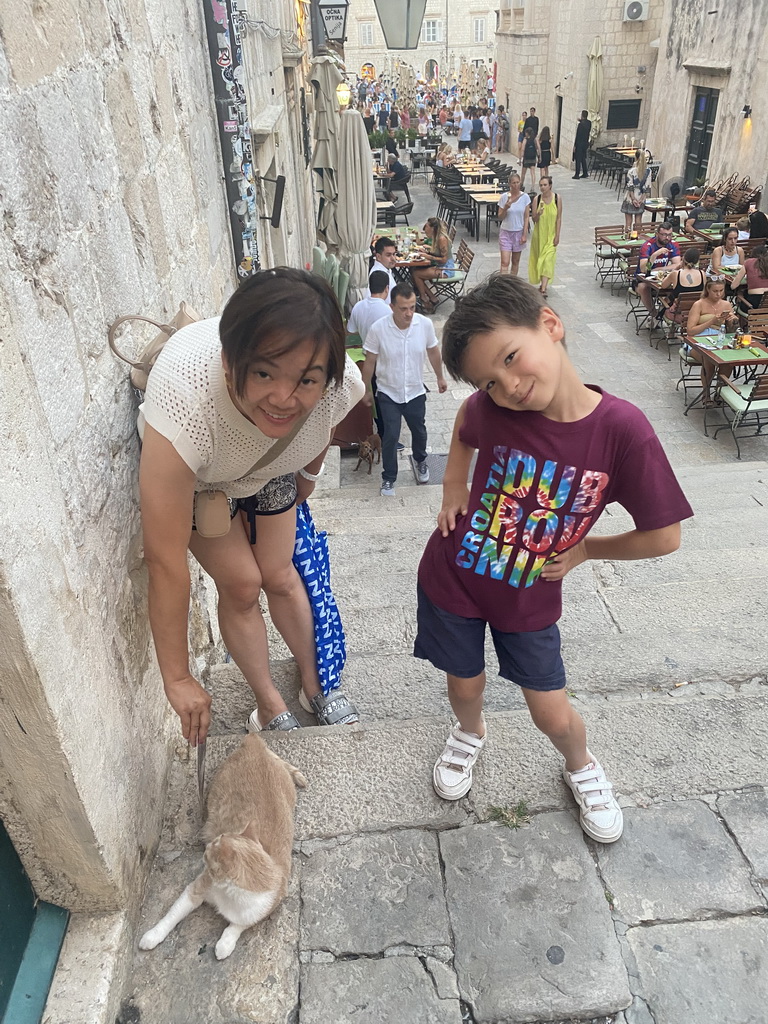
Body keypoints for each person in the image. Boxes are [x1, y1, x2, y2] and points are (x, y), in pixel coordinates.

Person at [416, 275, 692, 842]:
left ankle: (582, 766)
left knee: (551, 712)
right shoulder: (489, 408)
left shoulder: (622, 430)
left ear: (550, 324)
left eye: (512, 358)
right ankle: (469, 733)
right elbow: (467, 423)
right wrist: (452, 486)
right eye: (492, 381)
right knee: (464, 686)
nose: (509, 386)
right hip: (455, 577)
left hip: (529, 596)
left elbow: (663, 535)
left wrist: (588, 549)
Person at [139, 268, 366, 743]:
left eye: (306, 380)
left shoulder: (334, 388)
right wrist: (178, 678)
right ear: (229, 360)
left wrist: (308, 475)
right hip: (205, 479)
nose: (283, 398)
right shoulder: (184, 406)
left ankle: (316, 686)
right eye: (264, 373)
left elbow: (326, 422)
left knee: (281, 575)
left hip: (270, 466)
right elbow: (164, 558)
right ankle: (269, 705)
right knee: (243, 585)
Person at [361, 284, 448, 496]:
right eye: (403, 309)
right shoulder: (378, 329)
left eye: (412, 307)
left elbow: (433, 352)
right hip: (388, 392)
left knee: (419, 430)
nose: (409, 313)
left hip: (415, 390)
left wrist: (439, 376)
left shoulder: (424, 325)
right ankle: (389, 477)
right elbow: (370, 361)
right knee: (390, 435)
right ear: (391, 306)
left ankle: (420, 460)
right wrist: (365, 390)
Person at [687, 278, 740, 404]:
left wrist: (733, 321)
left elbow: (731, 331)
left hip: (719, 338)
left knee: (727, 361)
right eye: (715, 291)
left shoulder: (726, 305)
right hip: (698, 339)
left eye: (721, 291)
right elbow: (690, 331)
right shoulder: (699, 304)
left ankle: (720, 391)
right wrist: (711, 322)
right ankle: (706, 394)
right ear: (708, 290)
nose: (718, 294)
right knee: (709, 360)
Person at [634, 222, 682, 315]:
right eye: (664, 235)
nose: (667, 238)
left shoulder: (673, 244)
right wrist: (655, 255)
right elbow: (644, 269)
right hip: (642, 279)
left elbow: (677, 264)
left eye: (669, 235)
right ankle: (655, 315)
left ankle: (665, 312)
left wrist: (660, 269)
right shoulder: (647, 246)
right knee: (644, 288)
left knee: (677, 286)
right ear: (657, 234)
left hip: (662, 278)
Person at [411, 217, 457, 313]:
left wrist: (427, 256)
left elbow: (444, 259)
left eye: (427, 226)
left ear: (433, 228)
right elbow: (437, 252)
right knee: (414, 271)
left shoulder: (441, 238)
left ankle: (424, 299)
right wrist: (427, 251)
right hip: (441, 266)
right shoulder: (436, 237)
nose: (425, 228)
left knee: (416, 274)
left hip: (446, 269)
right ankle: (432, 298)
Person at [528, 176, 562, 299]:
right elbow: (534, 220)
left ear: (550, 186)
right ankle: (542, 284)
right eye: (541, 185)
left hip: (551, 235)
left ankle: (543, 288)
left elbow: (558, 218)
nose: (542, 187)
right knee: (540, 260)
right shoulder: (537, 199)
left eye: (545, 185)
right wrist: (538, 214)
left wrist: (557, 235)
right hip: (539, 235)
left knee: (548, 260)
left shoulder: (557, 199)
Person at [658, 247, 703, 327]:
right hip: (696, 313)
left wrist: (676, 268)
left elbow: (663, 285)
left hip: (677, 315)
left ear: (683, 258)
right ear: (697, 261)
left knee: (665, 301)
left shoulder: (676, 274)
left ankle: (657, 323)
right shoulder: (702, 274)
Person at [498, 172, 531, 277]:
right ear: (510, 184)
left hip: (518, 232)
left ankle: (512, 283)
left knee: (515, 261)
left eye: (517, 182)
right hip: (506, 232)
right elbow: (500, 216)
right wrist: (506, 208)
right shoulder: (504, 197)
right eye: (513, 183)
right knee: (505, 262)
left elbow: (526, 217)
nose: (516, 185)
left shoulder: (525, 197)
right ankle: (503, 283)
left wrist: (524, 234)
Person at [347, 270, 390, 342]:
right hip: (383, 352)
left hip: (365, 350)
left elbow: (351, 331)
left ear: (369, 287)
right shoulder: (389, 312)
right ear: (386, 288)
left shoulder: (357, 306)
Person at [620, 149, 651, 238]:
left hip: (630, 198)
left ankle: (627, 237)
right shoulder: (648, 171)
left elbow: (630, 186)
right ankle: (637, 237)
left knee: (628, 221)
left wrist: (633, 199)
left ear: (636, 157)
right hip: (641, 196)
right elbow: (647, 187)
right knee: (638, 220)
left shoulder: (632, 171)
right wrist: (641, 200)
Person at [731, 244, 768, 313]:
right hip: (766, 306)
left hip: (753, 305)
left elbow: (733, 286)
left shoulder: (749, 262)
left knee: (740, 295)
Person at [572, 110, 591, 179]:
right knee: (583, 158)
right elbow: (585, 124)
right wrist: (581, 121)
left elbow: (578, 136)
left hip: (579, 143)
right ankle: (585, 172)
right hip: (585, 143)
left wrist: (575, 145)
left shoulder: (580, 125)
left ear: (582, 116)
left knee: (578, 158)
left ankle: (577, 174)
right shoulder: (589, 123)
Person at [520, 127, 540, 192]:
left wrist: (520, 158)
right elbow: (538, 148)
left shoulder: (525, 140)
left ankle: (521, 184)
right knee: (533, 173)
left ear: (527, 133)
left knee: (523, 173)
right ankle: (533, 187)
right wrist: (539, 157)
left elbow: (522, 149)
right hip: (533, 157)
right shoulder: (535, 139)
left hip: (526, 158)